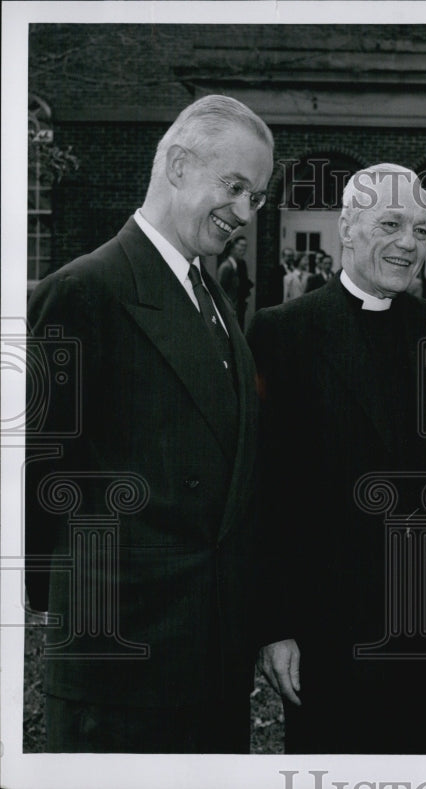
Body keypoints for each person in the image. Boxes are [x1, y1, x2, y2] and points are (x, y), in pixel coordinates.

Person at [24, 94, 274, 752]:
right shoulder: (84, 292)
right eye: (235, 187)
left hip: (210, 668)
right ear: (180, 165)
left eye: (257, 196)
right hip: (123, 675)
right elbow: (40, 476)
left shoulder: (213, 294)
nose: (246, 213)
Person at [248, 163, 426, 754]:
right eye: (391, 223)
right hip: (327, 631)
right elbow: (266, 492)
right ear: (346, 229)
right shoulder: (284, 332)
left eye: (422, 231)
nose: (409, 243)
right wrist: (275, 626)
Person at [217, 234, 254, 328]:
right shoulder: (226, 267)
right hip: (230, 311)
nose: (243, 250)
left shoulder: (239, 265)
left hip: (238, 309)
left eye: (245, 247)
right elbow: (220, 291)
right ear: (233, 247)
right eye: (241, 246)